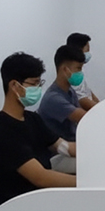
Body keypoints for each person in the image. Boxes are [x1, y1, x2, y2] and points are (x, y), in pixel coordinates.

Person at [0, 52, 76, 209]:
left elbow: (63, 147)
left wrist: (96, 152)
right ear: (14, 86)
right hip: (20, 208)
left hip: (42, 198)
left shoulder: (32, 118)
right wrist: (84, 182)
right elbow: (41, 177)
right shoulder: (0, 131)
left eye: (39, 83)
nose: (38, 89)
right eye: (34, 84)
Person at [36, 45, 89, 173]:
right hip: (57, 156)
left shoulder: (69, 91)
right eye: (78, 69)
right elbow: (84, 117)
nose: (80, 73)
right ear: (65, 69)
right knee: (96, 163)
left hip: (72, 147)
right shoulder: (53, 98)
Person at [66, 32, 100, 106]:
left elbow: (88, 92)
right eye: (87, 51)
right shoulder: (72, 74)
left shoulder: (79, 70)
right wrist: (100, 109)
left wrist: (100, 104)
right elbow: (82, 99)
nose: (89, 54)